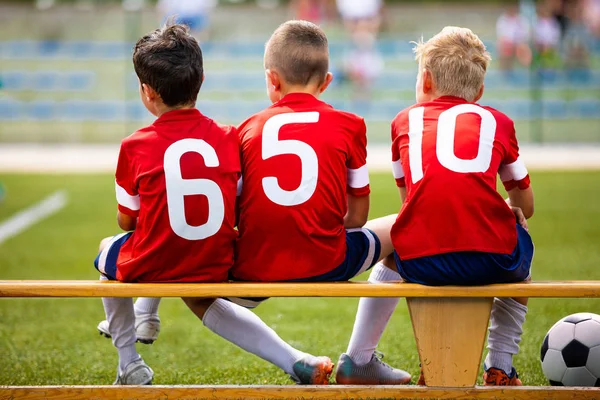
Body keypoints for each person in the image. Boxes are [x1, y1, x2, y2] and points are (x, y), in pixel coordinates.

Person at [99, 20, 412, 385]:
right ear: (327, 83)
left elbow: (145, 219)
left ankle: (136, 345)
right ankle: (359, 358)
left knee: (179, 270)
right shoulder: (346, 124)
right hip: (329, 260)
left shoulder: (246, 130)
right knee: (403, 226)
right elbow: (357, 218)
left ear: (272, 80)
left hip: (252, 268)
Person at [338, 26, 535, 387]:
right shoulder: (498, 122)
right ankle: (500, 367)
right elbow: (527, 203)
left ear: (425, 80)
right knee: (520, 248)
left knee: (398, 246)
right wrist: (510, 209)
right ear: (479, 92)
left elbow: (411, 206)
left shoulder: (403, 122)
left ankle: (361, 356)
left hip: (423, 263)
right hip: (494, 260)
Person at [94, 21, 240, 385]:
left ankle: (129, 361)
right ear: (201, 81)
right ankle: (146, 314)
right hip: (219, 257)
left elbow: (127, 222)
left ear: (146, 92)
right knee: (169, 230)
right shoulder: (229, 136)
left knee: (109, 251)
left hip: (161, 259)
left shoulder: (134, 145)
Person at [496, 4, 532, 71]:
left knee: (524, 49)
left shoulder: (522, 20)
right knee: (503, 48)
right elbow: (501, 35)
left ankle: (525, 70)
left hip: (519, 44)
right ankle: (505, 71)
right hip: (508, 44)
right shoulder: (502, 19)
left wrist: (518, 43)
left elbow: (526, 34)